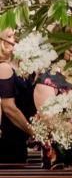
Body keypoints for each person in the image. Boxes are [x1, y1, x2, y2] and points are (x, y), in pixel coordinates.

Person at [0, 29, 36, 166]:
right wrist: (32, 131)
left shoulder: (17, 65)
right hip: (10, 134)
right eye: (9, 36)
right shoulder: (3, 67)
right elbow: (8, 108)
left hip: (19, 134)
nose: (13, 40)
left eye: (14, 35)